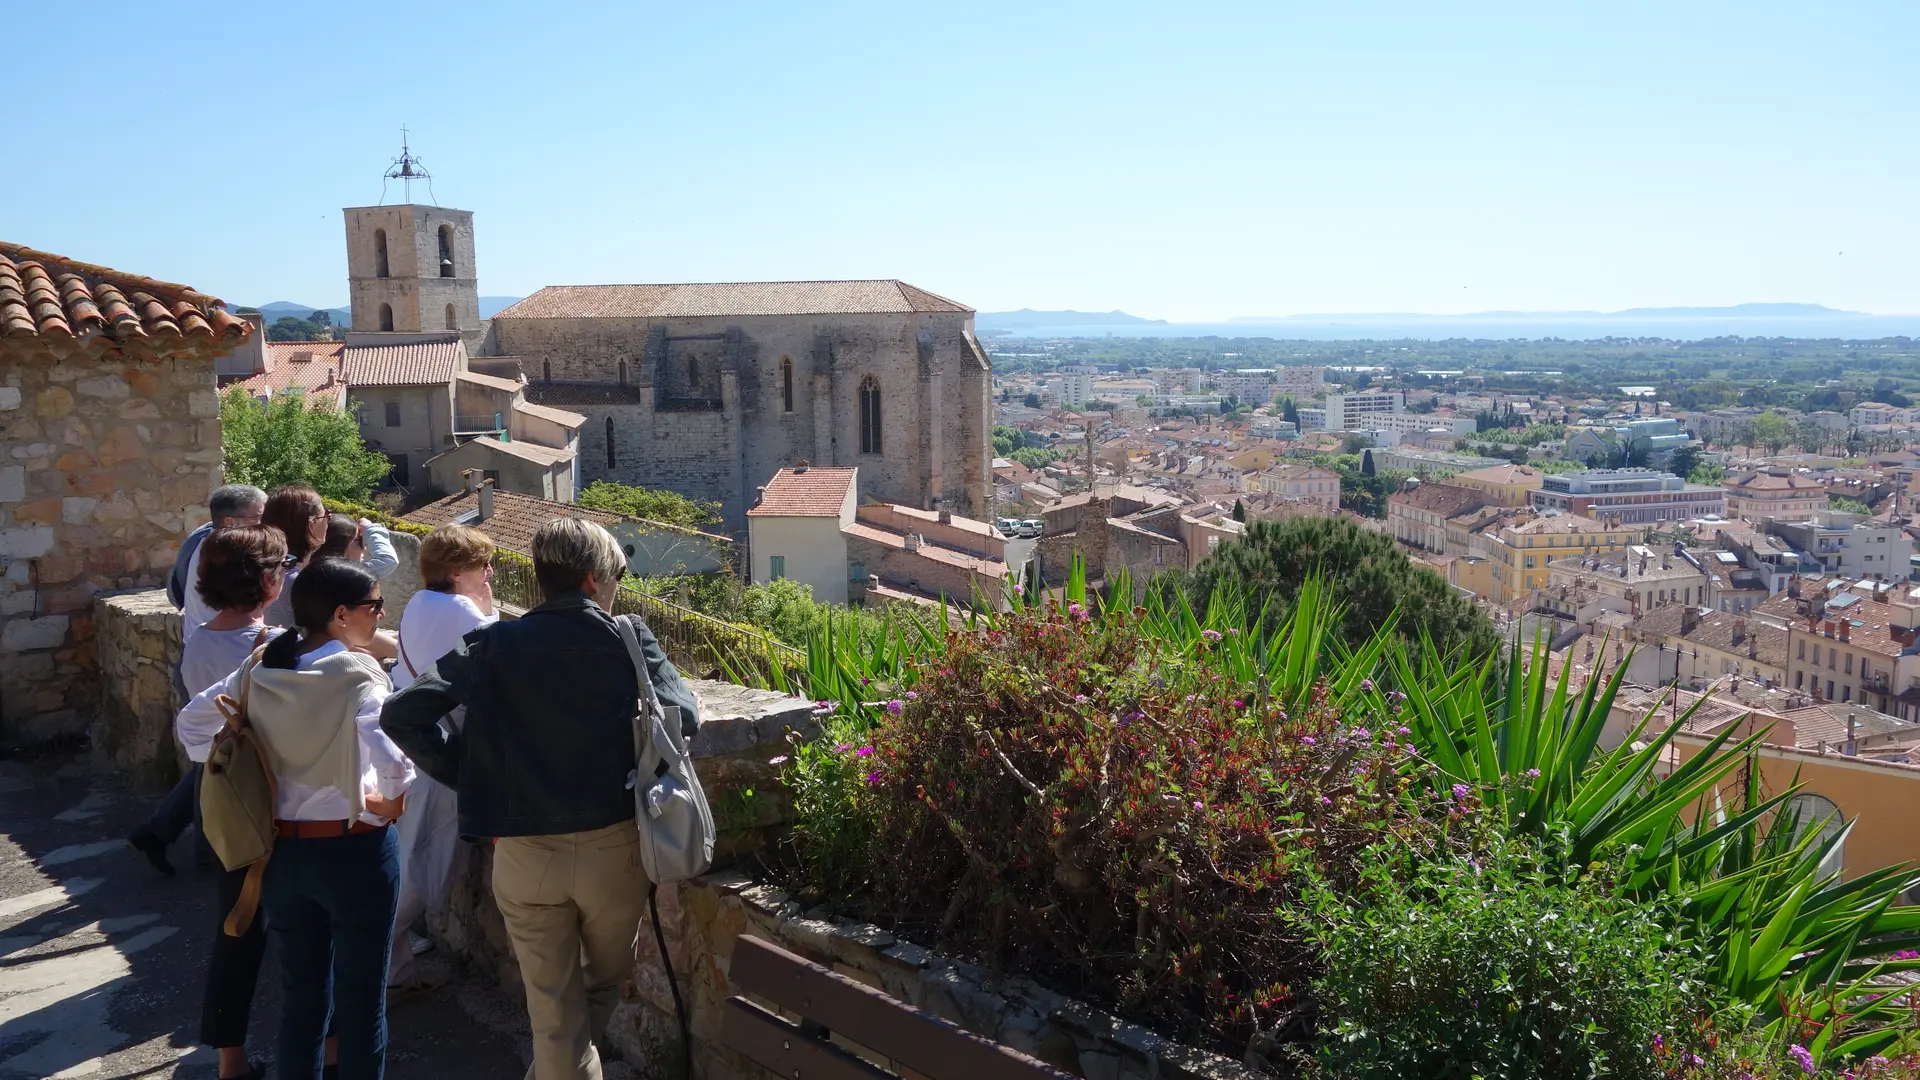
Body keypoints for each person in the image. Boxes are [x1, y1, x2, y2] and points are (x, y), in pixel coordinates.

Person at [382, 518, 698, 1080]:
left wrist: (472, 775)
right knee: (599, 984)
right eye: (615, 577)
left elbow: (402, 712)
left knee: (556, 1012)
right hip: (613, 849)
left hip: (524, 855)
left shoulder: (492, 642)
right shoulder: (627, 638)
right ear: (591, 578)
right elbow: (686, 719)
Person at [178, 560, 413, 1080]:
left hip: (280, 851)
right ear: (340, 615)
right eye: (375, 606)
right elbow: (395, 758)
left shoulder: (261, 665)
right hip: (355, 851)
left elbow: (192, 725)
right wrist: (390, 800)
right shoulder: (359, 674)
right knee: (361, 1003)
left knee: (302, 999)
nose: (381, 615)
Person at [177, 525, 288, 1080]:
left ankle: (230, 1061)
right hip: (274, 802)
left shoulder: (199, 641)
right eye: (283, 566)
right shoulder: (268, 647)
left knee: (236, 930)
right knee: (302, 936)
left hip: (222, 799)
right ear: (267, 581)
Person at [130, 484, 268, 877]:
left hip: (200, 654)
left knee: (211, 758)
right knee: (216, 760)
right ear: (231, 521)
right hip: (218, 659)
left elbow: (176, 594)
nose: (264, 525)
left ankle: (158, 832)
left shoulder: (199, 541)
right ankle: (210, 856)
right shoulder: (221, 556)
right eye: (259, 518)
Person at [386, 524, 497, 994]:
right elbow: (499, 657)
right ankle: (369, 969)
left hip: (411, 750)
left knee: (409, 861)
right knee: (421, 870)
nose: (491, 571)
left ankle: (395, 972)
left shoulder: (418, 603)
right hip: (441, 760)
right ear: (456, 572)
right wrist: (488, 615)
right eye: (482, 564)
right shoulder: (462, 612)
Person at [261, 484, 329, 629]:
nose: (329, 520)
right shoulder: (297, 581)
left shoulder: (267, 569)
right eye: (326, 515)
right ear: (311, 524)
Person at [315, 513, 401, 580]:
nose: (364, 548)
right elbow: (389, 561)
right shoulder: (343, 576)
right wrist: (371, 529)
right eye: (359, 541)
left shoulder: (313, 570)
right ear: (341, 546)